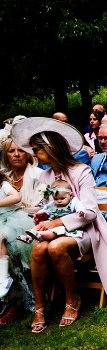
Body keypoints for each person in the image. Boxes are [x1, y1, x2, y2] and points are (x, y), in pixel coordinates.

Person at [12, 120, 107, 330]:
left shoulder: (81, 171)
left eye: (37, 150)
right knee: (39, 248)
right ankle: (40, 305)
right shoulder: (45, 176)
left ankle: (72, 298)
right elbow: (46, 206)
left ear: (51, 149)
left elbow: (91, 212)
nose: (34, 154)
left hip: (83, 230)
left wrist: (57, 222)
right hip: (55, 231)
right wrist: (39, 215)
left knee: (56, 247)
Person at [0, 136, 41, 323]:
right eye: (11, 151)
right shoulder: (4, 177)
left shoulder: (37, 175)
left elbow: (44, 207)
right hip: (7, 223)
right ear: (6, 156)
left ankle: (27, 299)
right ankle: (10, 299)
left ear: (28, 153)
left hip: (33, 222)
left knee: (8, 243)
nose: (16, 155)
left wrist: (21, 208)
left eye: (21, 150)